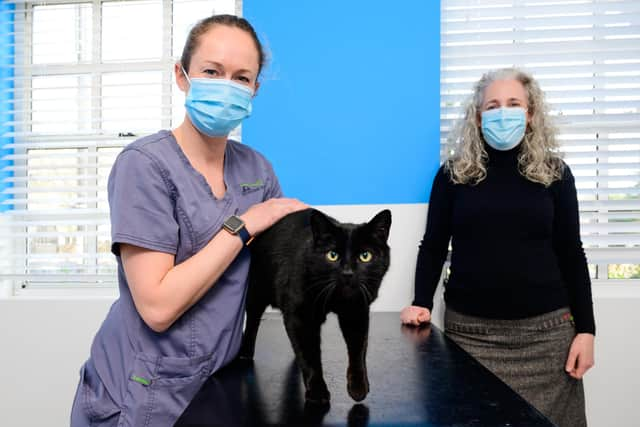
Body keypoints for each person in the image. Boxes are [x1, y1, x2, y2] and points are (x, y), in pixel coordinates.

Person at [70, 15, 307, 427]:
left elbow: (279, 271)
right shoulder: (144, 166)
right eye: (212, 72)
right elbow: (158, 307)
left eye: (241, 77)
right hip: (139, 390)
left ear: (254, 90)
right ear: (182, 76)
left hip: (215, 384)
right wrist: (245, 224)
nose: (227, 87)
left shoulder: (257, 169)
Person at [400, 68, 595, 427]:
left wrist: (587, 331)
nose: (502, 113)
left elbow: (572, 252)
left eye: (513, 103)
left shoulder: (556, 173)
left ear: (531, 113)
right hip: (470, 338)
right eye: (492, 105)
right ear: (477, 116)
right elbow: (433, 246)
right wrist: (421, 302)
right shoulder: (452, 175)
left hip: (548, 340)